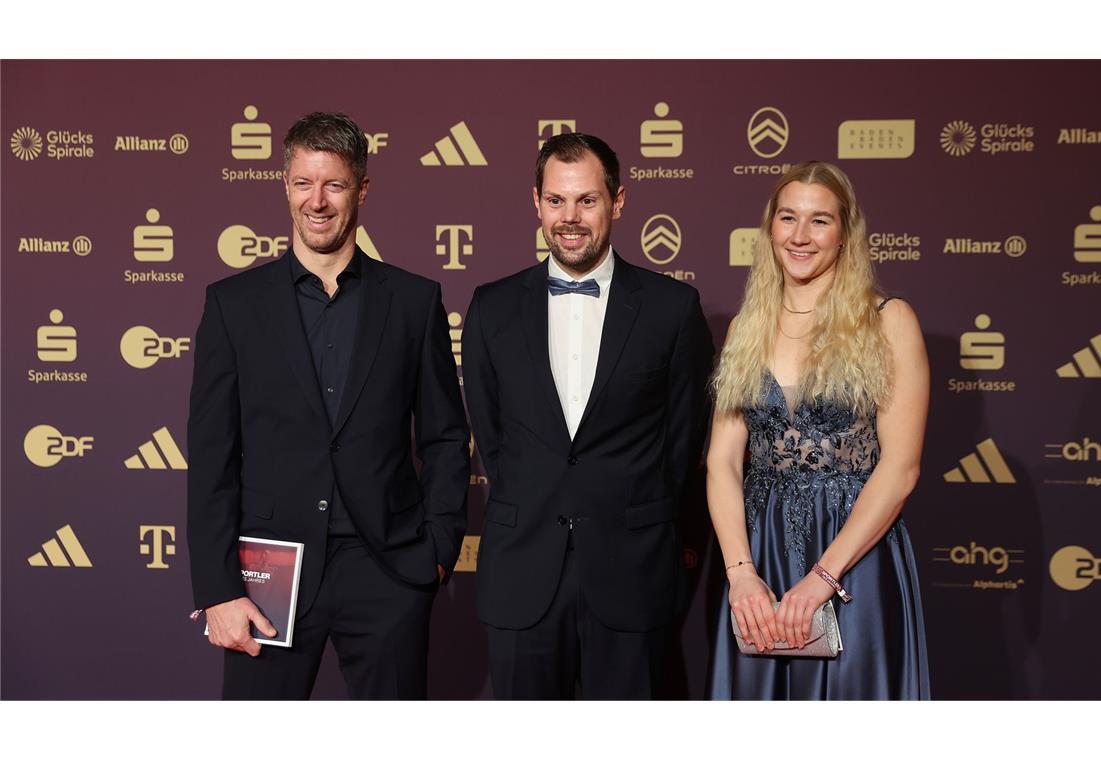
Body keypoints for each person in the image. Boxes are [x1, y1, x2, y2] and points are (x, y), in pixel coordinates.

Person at [187, 112, 469, 699]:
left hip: (388, 569)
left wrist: (437, 552)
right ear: (285, 186)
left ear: (362, 189)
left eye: (334, 184)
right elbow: (213, 456)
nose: (317, 202)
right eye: (303, 183)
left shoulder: (414, 302)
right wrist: (217, 589)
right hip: (268, 578)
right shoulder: (232, 305)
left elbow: (444, 437)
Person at [462, 133, 714, 699]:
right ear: (536, 203)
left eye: (587, 200)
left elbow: (681, 442)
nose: (569, 217)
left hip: (632, 574)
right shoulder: (491, 307)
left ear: (618, 201)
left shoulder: (672, 309)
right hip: (523, 573)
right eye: (556, 201)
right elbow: (492, 436)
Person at [707, 160, 930, 699]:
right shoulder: (745, 327)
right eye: (788, 218)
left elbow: (900, 469)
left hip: (854, 559)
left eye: (819, 221)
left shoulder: (888, 320)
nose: (800, 236)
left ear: (845, 233)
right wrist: (740, 572)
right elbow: (722, 461)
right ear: (770, 229)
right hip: (759, 554)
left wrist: (823, 578)